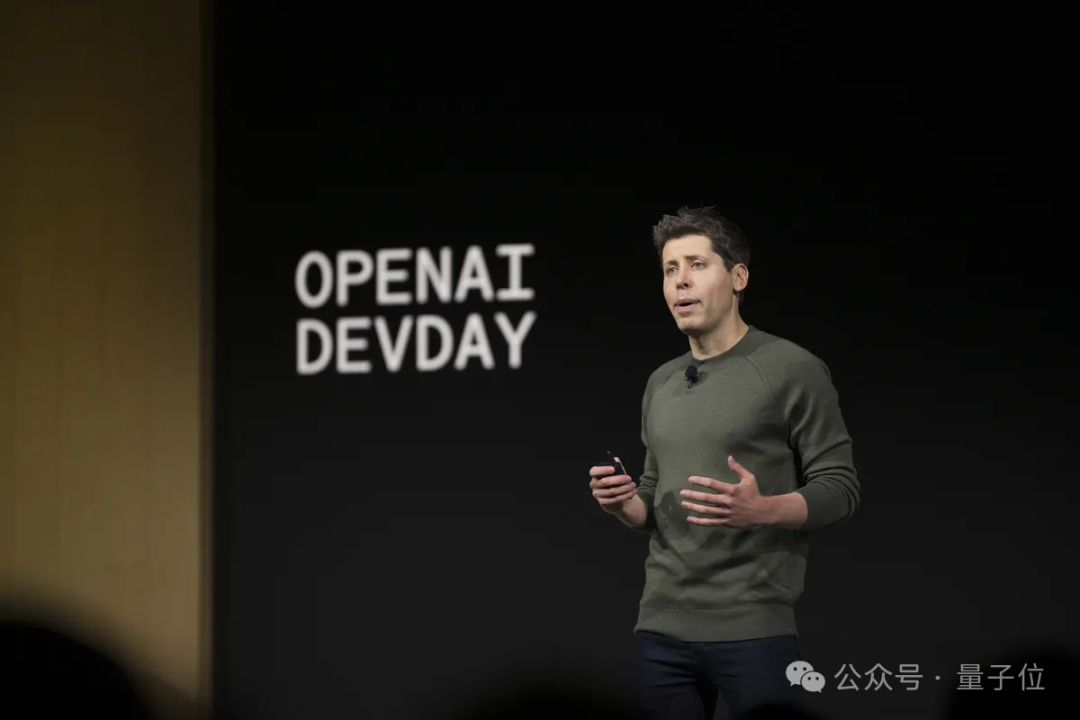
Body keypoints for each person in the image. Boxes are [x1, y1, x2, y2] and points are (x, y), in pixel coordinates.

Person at [589, 207, 860, 720]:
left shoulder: (791, 368)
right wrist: (624, 504)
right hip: (660, 630)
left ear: (738, 277)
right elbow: (653, 494)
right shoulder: (661, 382)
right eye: (670, 269)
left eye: (697, 264)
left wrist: (764, 509)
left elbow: (841, 488)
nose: (680, 281)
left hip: (753, 628)